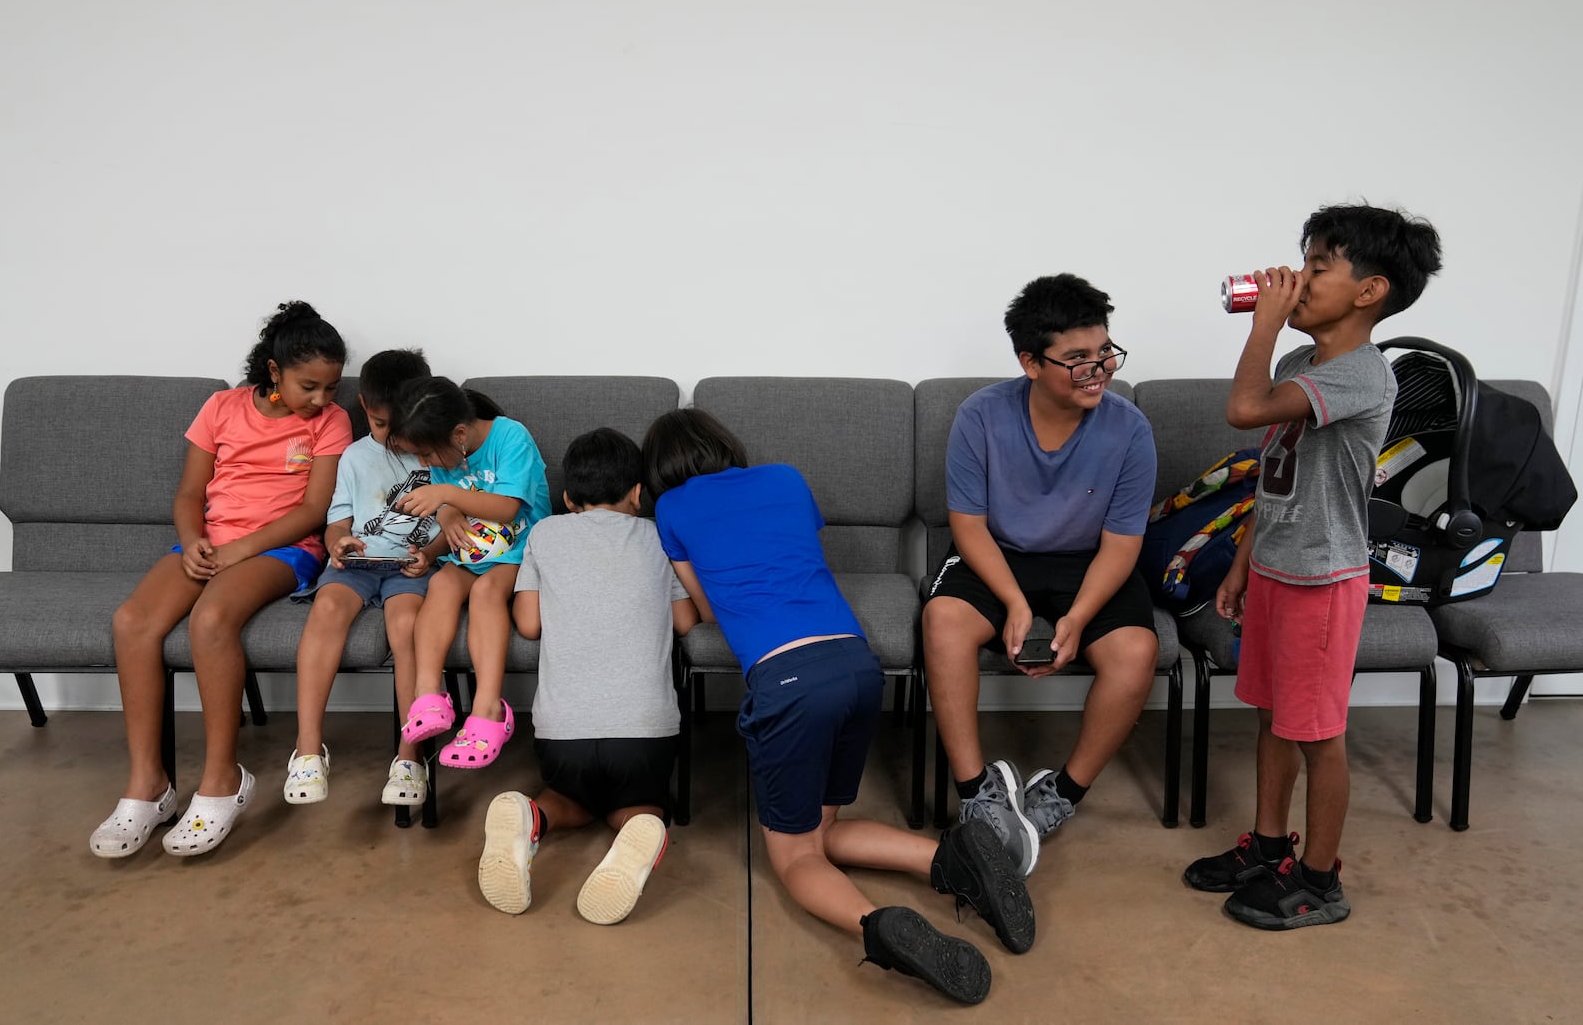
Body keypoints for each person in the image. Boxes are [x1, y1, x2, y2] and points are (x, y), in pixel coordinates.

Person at [642, 408, 1033, 1006]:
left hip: (787, 680)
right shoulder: (785, 478)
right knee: (823, 830)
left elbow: (711, 611)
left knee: (796, 858)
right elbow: (797, 553)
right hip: (856, 665)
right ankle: (953, 859)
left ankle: (878, 926)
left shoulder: (670, 509)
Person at [1184, 204, 1442, 929]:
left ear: (1370, 291)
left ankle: (1321, 879)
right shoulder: (1302, 362)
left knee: (1317, 731)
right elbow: (1274, 474)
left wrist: (1261, 319)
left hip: (1323, 584)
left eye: (1318, 266)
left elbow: (1242, 407)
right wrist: (1242, 563)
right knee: (1272, 713)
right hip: (1275, 569)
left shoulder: (1363, 374)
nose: (1298, 279)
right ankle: (1269, 846)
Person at [90, 301, 351, 858]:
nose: (322, 399)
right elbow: (188, 494)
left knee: (212, 618)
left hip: (282, 547)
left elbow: (313, 510)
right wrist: (195, 543)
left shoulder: (331, 423)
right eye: (310, 386)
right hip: (209, 540)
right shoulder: (221, 407)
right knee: (132, 622)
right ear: (274, 371)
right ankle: (148, 785)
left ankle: (222, 781)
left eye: (330, 388)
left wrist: (238, 551)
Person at [922, 273, 1159, 878]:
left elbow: (1122, 542)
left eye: (1104, 352)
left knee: (1135, 653)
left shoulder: (1129, 428)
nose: (1097, 370)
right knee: (943, 620)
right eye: (1076, 359)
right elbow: (968, 525)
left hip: (1090, 561)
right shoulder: (981, 415)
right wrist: (1015, 604)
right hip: (999, 552)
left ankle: (1060, 794)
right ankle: (977, 792)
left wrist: (1076, 617)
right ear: (1030, 361)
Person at [478, 428, 696, 924]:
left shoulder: (546, 533)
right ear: (639, 493)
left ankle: (531, 818)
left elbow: (528, 626)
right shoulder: (660, 536)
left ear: (569, 498)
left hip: (563, 735)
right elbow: (684, 622)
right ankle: (638, 831)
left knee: (566, 798)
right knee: (636, 805)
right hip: (645, 734)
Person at [284, 348, 449, 808]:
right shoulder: (355, 457)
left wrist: (430, 554)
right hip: (357, 564)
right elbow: (338, 520)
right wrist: (338, 542)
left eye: (402, 429)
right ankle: (308, 749)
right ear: (365, 410)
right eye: (380, 425)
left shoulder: (437, 457)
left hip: (411, 569)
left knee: (405, 626)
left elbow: (456, 526)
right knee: (328, 607)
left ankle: (409, 756)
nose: (394, 439)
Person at [389, 376, 549, 768]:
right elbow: (458, 527)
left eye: (426, 454)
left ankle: (488, 709)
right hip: (471, 553)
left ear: (459, 434)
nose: (424, 465)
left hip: (522, 550)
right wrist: (430, 550)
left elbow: (509, 508)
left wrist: (445, 497)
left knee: (485, 592)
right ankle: (427, 697)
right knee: (442, 582)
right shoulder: (447, 457)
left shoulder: (511, 437)